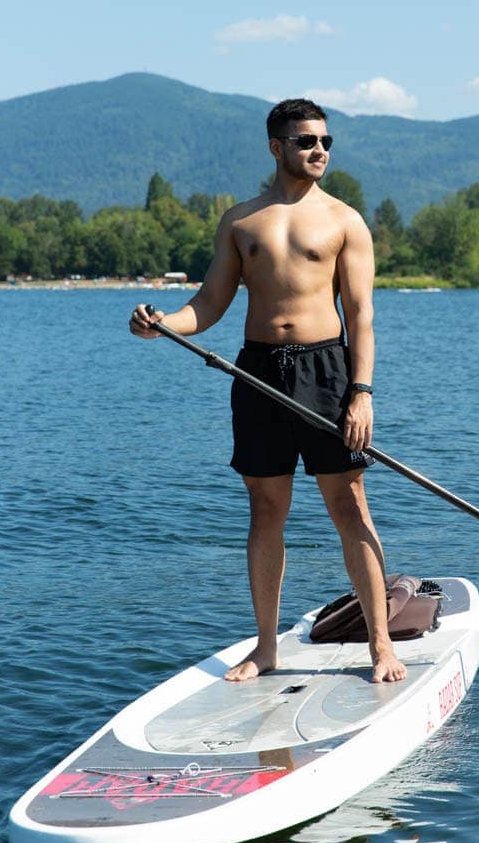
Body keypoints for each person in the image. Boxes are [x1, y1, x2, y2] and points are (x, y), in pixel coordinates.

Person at [130, 98, 407, 685]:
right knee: (265, 510)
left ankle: (381, 645)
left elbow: (361, 316)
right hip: (257, 374)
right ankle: (265, 647)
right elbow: (206, 307)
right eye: (307, 141)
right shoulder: (241, 222)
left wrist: (362, 392)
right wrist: (162, 323)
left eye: (327, 142)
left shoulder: (344, 221)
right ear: (276, 146)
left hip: (327, 373)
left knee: (348, 505)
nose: (320, 152)